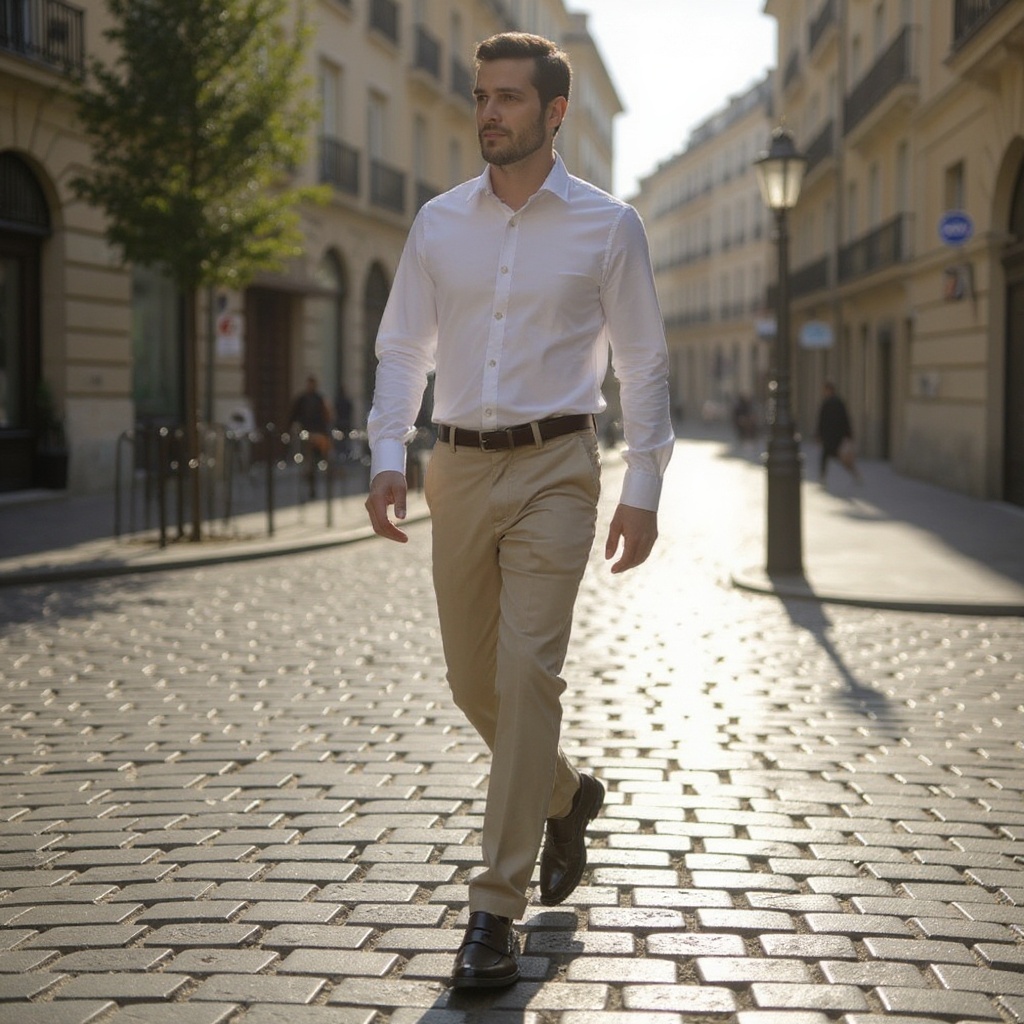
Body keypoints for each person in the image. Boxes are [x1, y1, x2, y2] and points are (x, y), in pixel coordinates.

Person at [364, 32, 674, 990]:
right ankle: (566, 795)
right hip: (455, 468)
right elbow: (402, 348)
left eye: (508, 97)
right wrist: (387, 452)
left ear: (553, 113)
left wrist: (644, 489)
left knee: (529, 671)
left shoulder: (607, 226)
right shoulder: (437, 224)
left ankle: (492, 913)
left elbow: (645, 362)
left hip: (557, 468)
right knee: (473, 683)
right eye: (480, 95)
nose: (488, 111)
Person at [288, 375, 331, 497]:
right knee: (309, 462)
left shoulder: (319, 399)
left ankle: (313, 481)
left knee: (316, 461)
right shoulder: (302, 399)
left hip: (318, 435)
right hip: (307, 434)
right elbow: (293, 415)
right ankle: (311, 483)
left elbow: (326, 417)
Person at [815, 380, 861, 484]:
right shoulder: (831, 403)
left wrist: (819, 435)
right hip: (833, 436)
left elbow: (843, 419)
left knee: (836, 458)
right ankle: (823, 477)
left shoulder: (833, 403)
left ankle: (855, 475)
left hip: (834, 437)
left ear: (829, 390)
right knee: (827, 457)